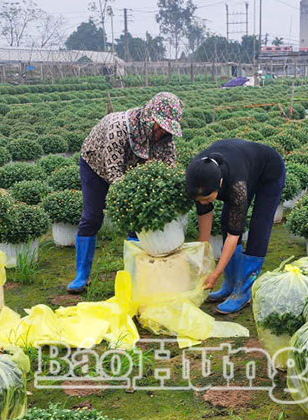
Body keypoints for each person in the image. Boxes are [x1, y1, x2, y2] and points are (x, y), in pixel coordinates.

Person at [68, 92, 183, 292]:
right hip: (96, 165)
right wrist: (133, 201)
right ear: (150, 118)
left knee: (138, 219)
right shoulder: (118, 128)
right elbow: (114, 175)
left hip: (132, 168)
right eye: (161, 125)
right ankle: (81, 276)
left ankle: (136, 273)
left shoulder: (164, 136)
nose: (164, 131)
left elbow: (169, 168)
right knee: (92, 215)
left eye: (168, 127)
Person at [186, 139, 285, 314]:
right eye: (199, 200)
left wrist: (215, 273)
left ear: (221, 184)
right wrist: (202, 256)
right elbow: (204, 217)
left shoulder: (236, 186)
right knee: (225, 221)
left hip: (268, 172)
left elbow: (234, 234)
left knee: (258, 228)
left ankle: (243, 292)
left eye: (208, 198)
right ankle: (230, 284)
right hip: (244, 166)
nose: (203, 202)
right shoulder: (198, 177)